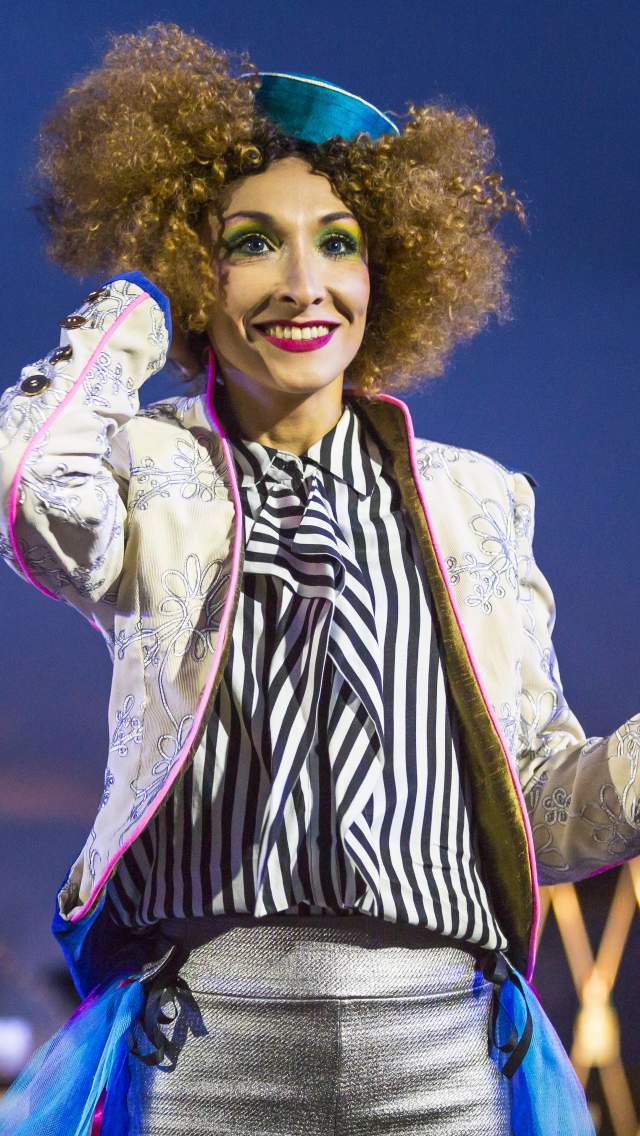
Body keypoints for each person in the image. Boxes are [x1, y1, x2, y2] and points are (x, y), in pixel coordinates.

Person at [0, 20, 636, 1136]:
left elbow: (537, 806)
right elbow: (20, 482)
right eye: (251, 242)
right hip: (203, 1054)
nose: (305, 282)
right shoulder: (146, 469)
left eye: (338, 241)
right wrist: (144, 303)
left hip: (446, 1057)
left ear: (387, 268)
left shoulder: (477, 497)